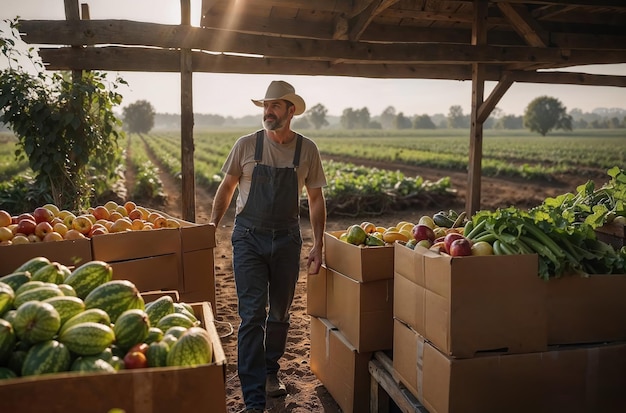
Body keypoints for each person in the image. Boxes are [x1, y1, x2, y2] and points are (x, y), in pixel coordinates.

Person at [209, 80, 327, 413]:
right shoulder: (247, 145)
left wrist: (318, 244)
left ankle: (270, 371)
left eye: (275, 106)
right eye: (265, 105)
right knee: (251, 316)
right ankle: (254, 400)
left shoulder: (307, 150)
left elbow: (316, 199)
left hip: (288, 239)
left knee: (279, 314)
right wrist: (212, 226)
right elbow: (227, 186)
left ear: (291, 111)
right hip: (248, 238)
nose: (268, 111)